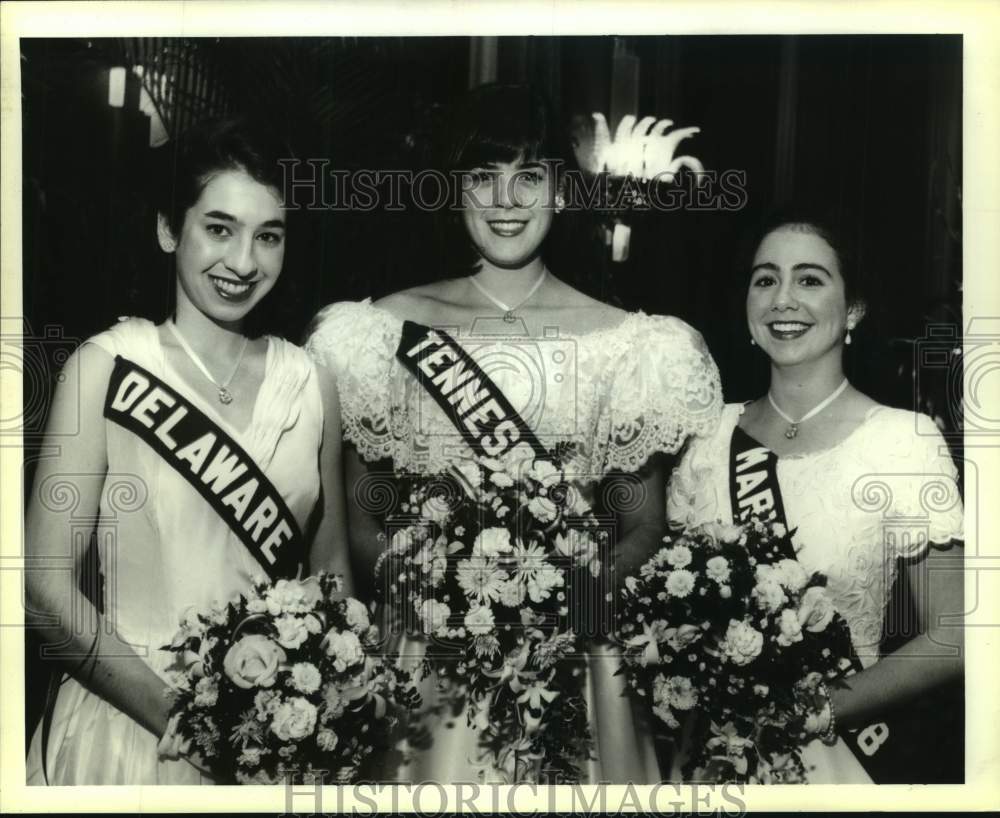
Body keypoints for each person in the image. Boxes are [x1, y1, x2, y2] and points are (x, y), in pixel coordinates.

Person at [305, 83, 722, 782]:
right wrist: (438, 591)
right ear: (455, 190)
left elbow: (643, 526)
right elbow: (359, 517)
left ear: (561, 191)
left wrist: (564, 601)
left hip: (576, 652)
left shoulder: (629, 343)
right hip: (426, 653)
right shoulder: (378, 331)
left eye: (528, 176)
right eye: (483, 177)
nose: (505, 201)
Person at [25, 117, 349, 785]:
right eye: (219, 228)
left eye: (269, 236)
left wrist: (325, 697)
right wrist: (188, 723)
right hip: (128, 728)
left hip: (270, 742)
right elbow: (43, 586)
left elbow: (333, 579)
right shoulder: (107, 367)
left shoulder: (312, 381)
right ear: (170, 230)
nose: (242, 263)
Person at [666, 211, 964, 783]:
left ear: (853, 309)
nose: (783, 299)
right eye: (765, 279)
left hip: (836, 756)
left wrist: (816, 708)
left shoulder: (901, 440)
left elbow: (956, 636)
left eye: (809, 279)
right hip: (704, 759)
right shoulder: (708, 439)